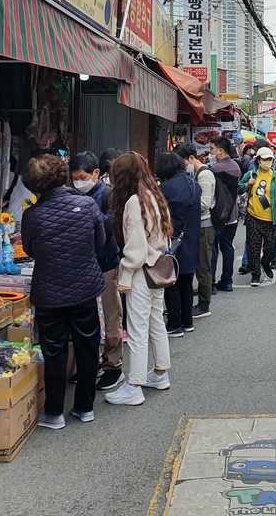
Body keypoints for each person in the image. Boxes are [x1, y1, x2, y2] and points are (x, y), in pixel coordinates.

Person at [21, 154, 106, 429]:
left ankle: (54, 412)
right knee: (88, 346)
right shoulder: (88, 204)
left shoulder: (31, 216)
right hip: (85, 288)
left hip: (49, 291)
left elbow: (30, 249)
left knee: (54, 349)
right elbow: (100, 242)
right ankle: (84, 407)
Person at [105, 152, 174, 406]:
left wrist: (125, 272)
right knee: (156, 323)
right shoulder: (154, 196)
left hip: (141, 272)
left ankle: (133, 385)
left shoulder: (134, 201)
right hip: (158, 269)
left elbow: (135, 248)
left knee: (136, 329)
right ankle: (160, 373)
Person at [70, 151, 124, 392]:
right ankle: (88, 364)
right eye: (73, 178)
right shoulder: (70, 194)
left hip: (105, 264)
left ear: (95, 174)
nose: (77, 182)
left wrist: (85, 214)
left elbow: (112, 225)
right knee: (85, 318)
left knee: (111, 316)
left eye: (82, 177)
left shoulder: (109, 195)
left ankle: (114, 365)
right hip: (79, 264)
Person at [158, 152, 201, 337]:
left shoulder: (165, 188)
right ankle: (188, 321)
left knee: (171, 282)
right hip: (191, 238)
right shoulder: (194, 185)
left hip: (173, 239)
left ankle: (174, 323)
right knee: (186, 281)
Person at [238, 147, 276, 287]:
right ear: (259, 160)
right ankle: (255, 274)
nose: (267, 162)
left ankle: (265, 263)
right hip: (254, 217)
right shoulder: (251, 174)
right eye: (264, 159)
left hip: (272, 219)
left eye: (269, 159)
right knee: (253, 248)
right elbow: (239, 188)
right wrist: (247, 185)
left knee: (271, 247)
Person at [176, 144, 216, 320]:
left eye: (183, 162)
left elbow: (204, 204)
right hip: (195, 226)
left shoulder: (205, 175)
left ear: (191, 158)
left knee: (203, 266)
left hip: (204, 226)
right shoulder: (193, 174)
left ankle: (204, 304)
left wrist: (183, 206)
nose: (183, 166)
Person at [208, 137, 243, 292]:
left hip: (218, 214)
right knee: (227, 246)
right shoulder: (235, 167)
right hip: (232, 213)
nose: (210, 152)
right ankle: (227, 280)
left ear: (220, 150)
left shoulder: (216, 169)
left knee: (213, 248)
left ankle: (211, 283)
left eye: (211, 149)